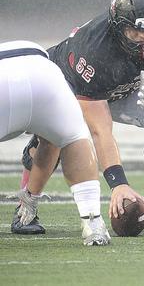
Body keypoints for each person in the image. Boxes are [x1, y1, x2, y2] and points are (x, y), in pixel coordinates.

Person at [12, 0, 144, 234]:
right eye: (135, 30)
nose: (143, 38)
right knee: (54, 140)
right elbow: (100, 131)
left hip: (120, 86)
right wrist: (118, 184)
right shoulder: (95, 50)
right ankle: (25, 208)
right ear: (117, 24)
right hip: (65, 87)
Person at [1, 40, 110, 245]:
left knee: (63, 138)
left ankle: (28, 205)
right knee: (73, 138)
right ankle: (92, 220)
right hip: (44, 73)